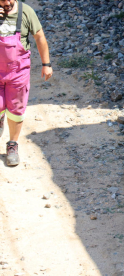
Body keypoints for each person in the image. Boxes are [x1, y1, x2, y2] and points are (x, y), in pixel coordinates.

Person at [0, 0, 53, 166]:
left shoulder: (26, 12)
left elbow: (40, 37)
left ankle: (12, 145)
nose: (7, 2)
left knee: (16, 110)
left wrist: (46, 64)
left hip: (18, 73)